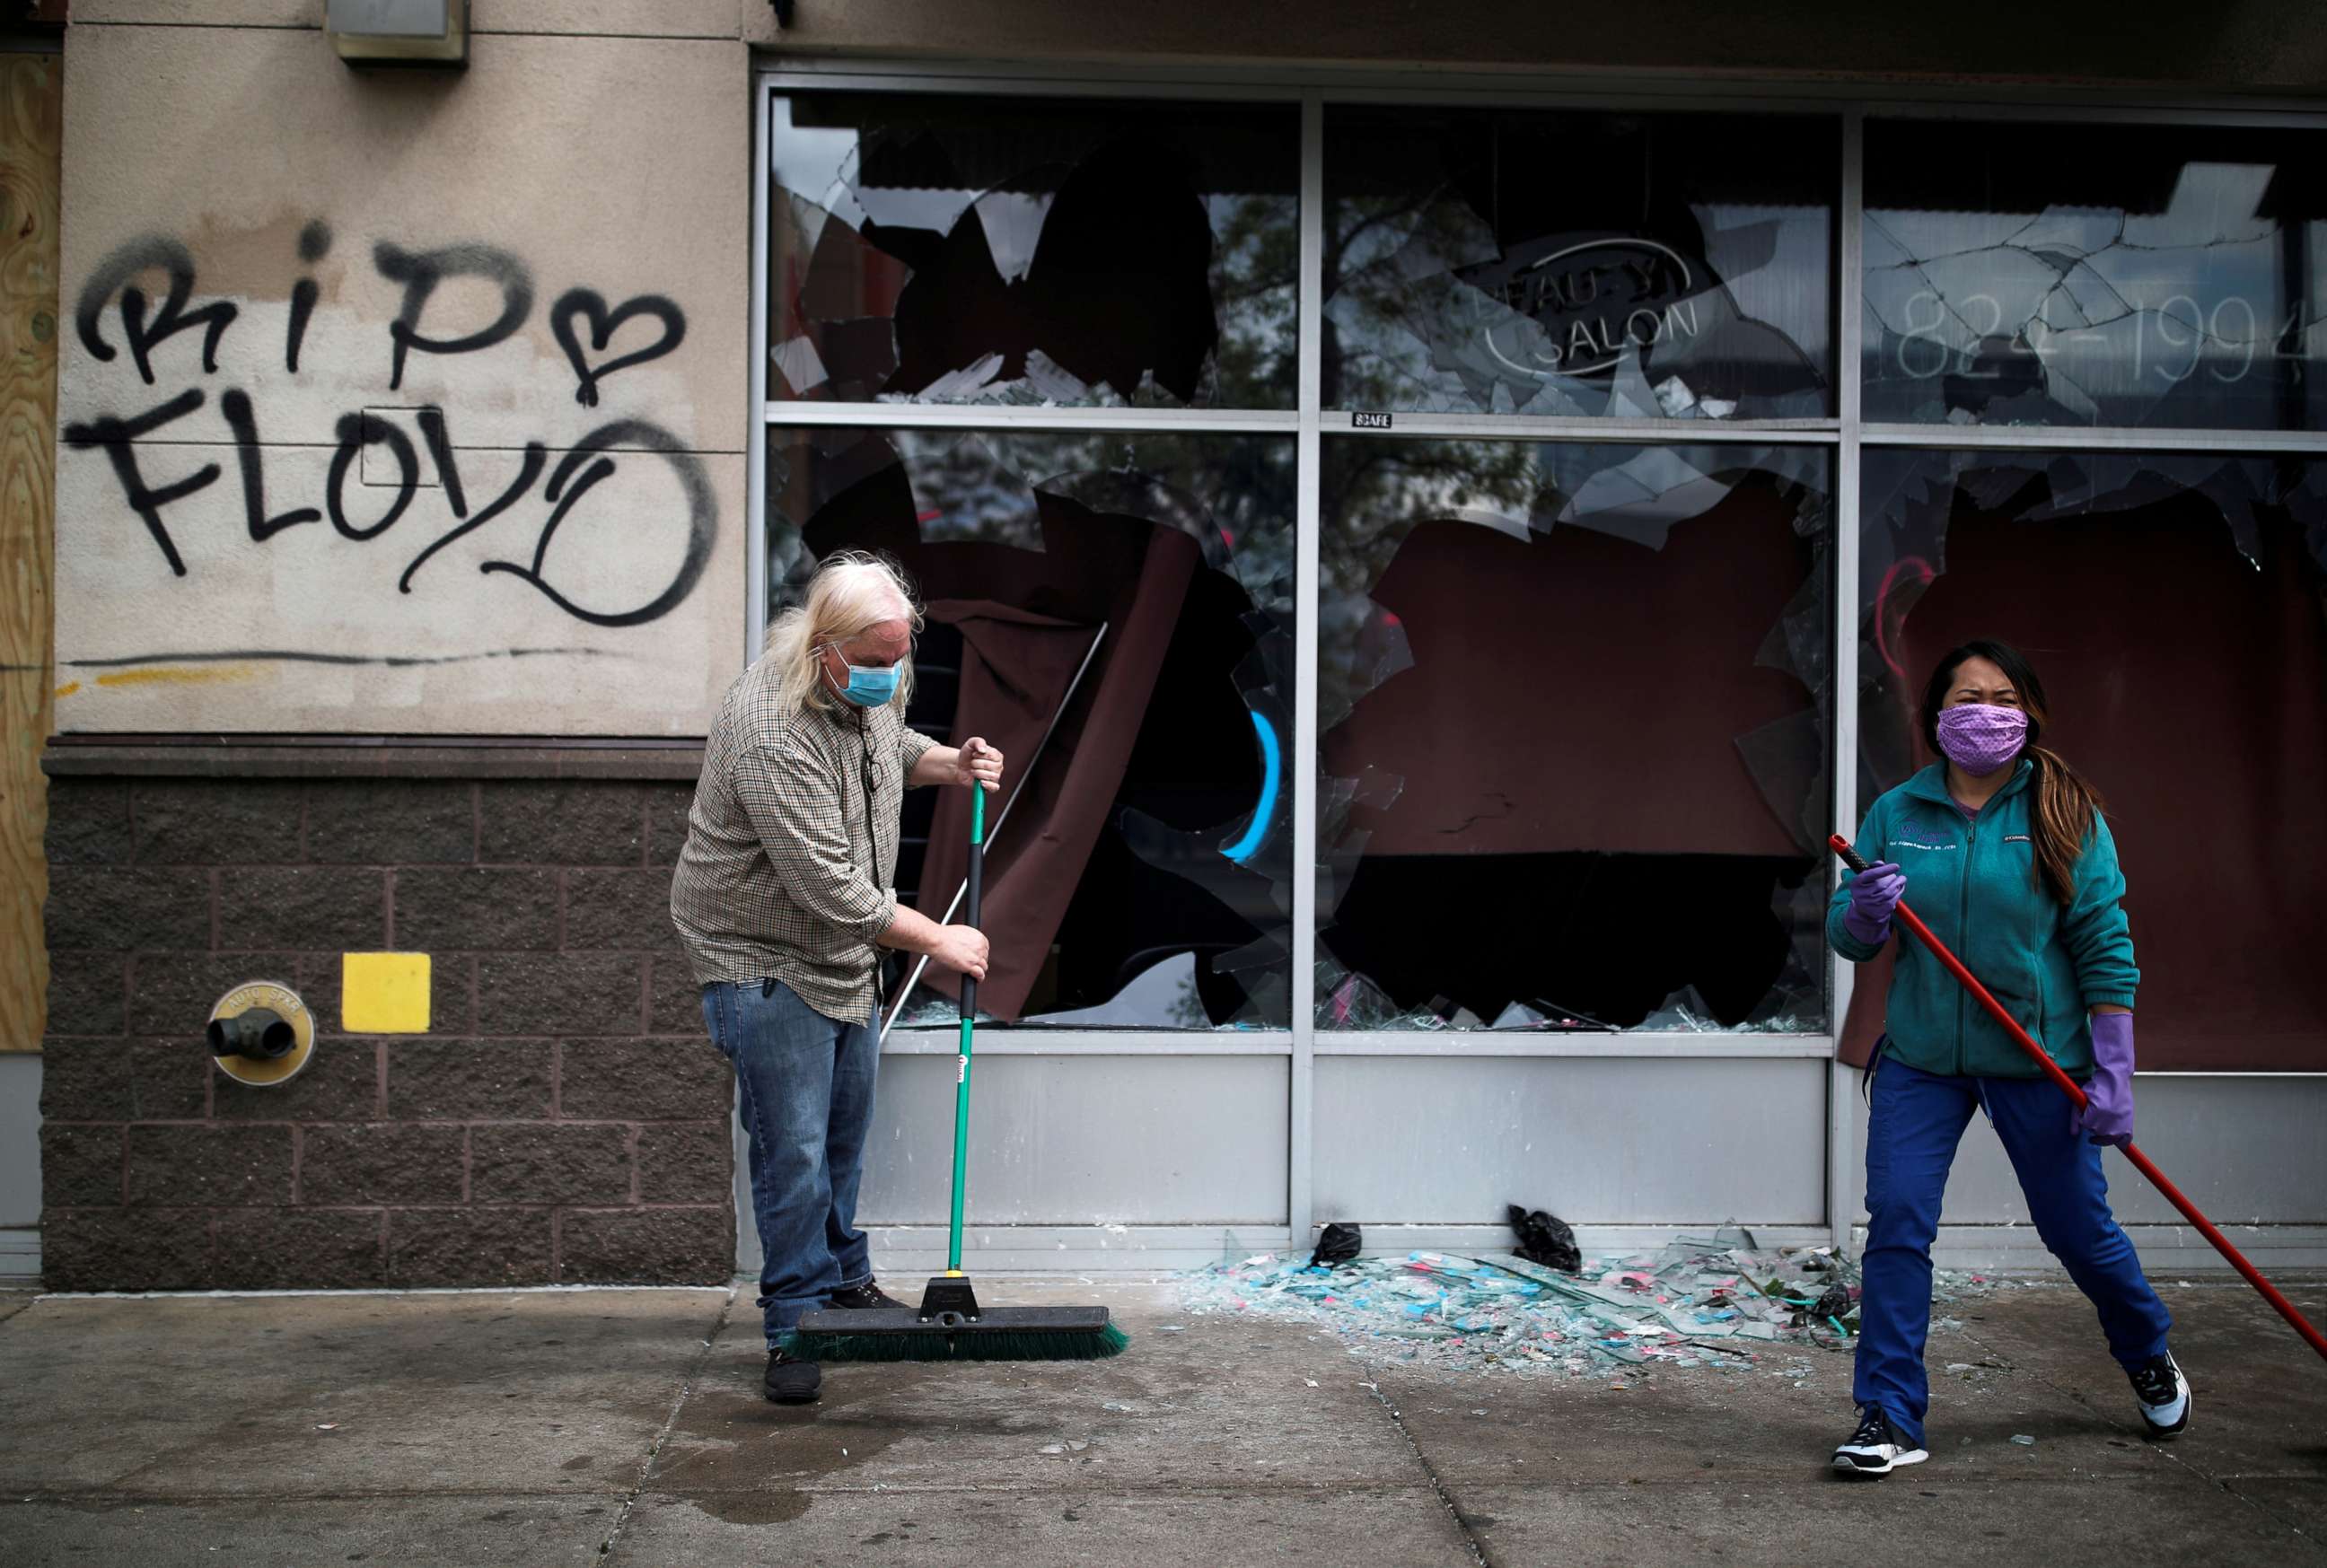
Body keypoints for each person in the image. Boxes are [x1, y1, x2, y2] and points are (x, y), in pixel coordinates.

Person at [1826, 638, 2188, 1477]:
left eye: (2001, 696)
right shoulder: (1899, 812)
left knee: (2078, 1233)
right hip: (1921, 1058)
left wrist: (2113, 1068)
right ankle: (1888, 1413)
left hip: (2037, 1060)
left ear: (2027, 712)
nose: (1983, 710)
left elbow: (2105, 941)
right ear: (1937, 716)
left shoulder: (2062, 811)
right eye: (1965, 696)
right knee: (1898, 1224)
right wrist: (1868, 913)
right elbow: (1850, 935)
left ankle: (2145, 1346)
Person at [670, 552, 1001, 1406]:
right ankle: (793, 1323)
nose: (892, 675)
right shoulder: (770, 728)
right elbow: (834, 890)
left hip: (844, 957)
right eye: (878, 660)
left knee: (842, 1134)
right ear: (826, 650)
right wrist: (941, 940)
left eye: (901, 656)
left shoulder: (870, 683)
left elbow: (894, 745)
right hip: (763, 955)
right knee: (796, 1146)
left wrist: (951, 763)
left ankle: (843, 1281)